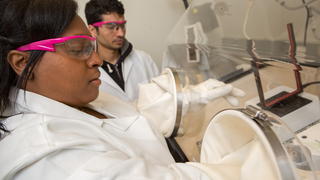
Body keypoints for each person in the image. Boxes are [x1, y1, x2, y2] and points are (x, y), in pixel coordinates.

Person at [0, 0, 279, 179]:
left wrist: (189, 97)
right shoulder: (49, 160)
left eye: (91, 47)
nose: (95, 59)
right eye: (78, 49)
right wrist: (253, 165)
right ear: (22, 62)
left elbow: (132, 116)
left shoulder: (72, 98)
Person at [85, 0, 160, 102]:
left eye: (122, 25)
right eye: (111, 27)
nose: (120, 33)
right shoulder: (84, 70)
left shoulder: (144, 60)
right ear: (92, 30)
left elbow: (163, 101)